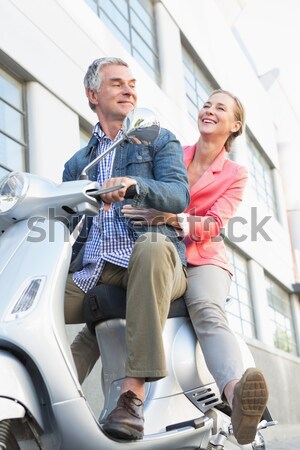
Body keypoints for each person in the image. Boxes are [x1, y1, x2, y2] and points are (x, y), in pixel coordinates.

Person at [122, 89, 269, 445]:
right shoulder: (173, 152)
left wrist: (171, 217)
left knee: (206, 309)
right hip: (159, 251)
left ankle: (237, 400)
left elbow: (215, 223)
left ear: (235, 125)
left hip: (204, 258)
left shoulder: (235, 174)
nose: (209, 109)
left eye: (221, 107)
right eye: (206, 103)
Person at [62, 57, 190, 441]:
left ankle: (131, 396)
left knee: (150, 246)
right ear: (92, 95)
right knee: (32, 295)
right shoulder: (78, 163)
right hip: (95, 269)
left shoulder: (158, 139)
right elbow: (66, 223)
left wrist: (134, 184)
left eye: (132, 83)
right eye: (116, 83)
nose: (128, 88)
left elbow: (178, 194)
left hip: (153, 261)